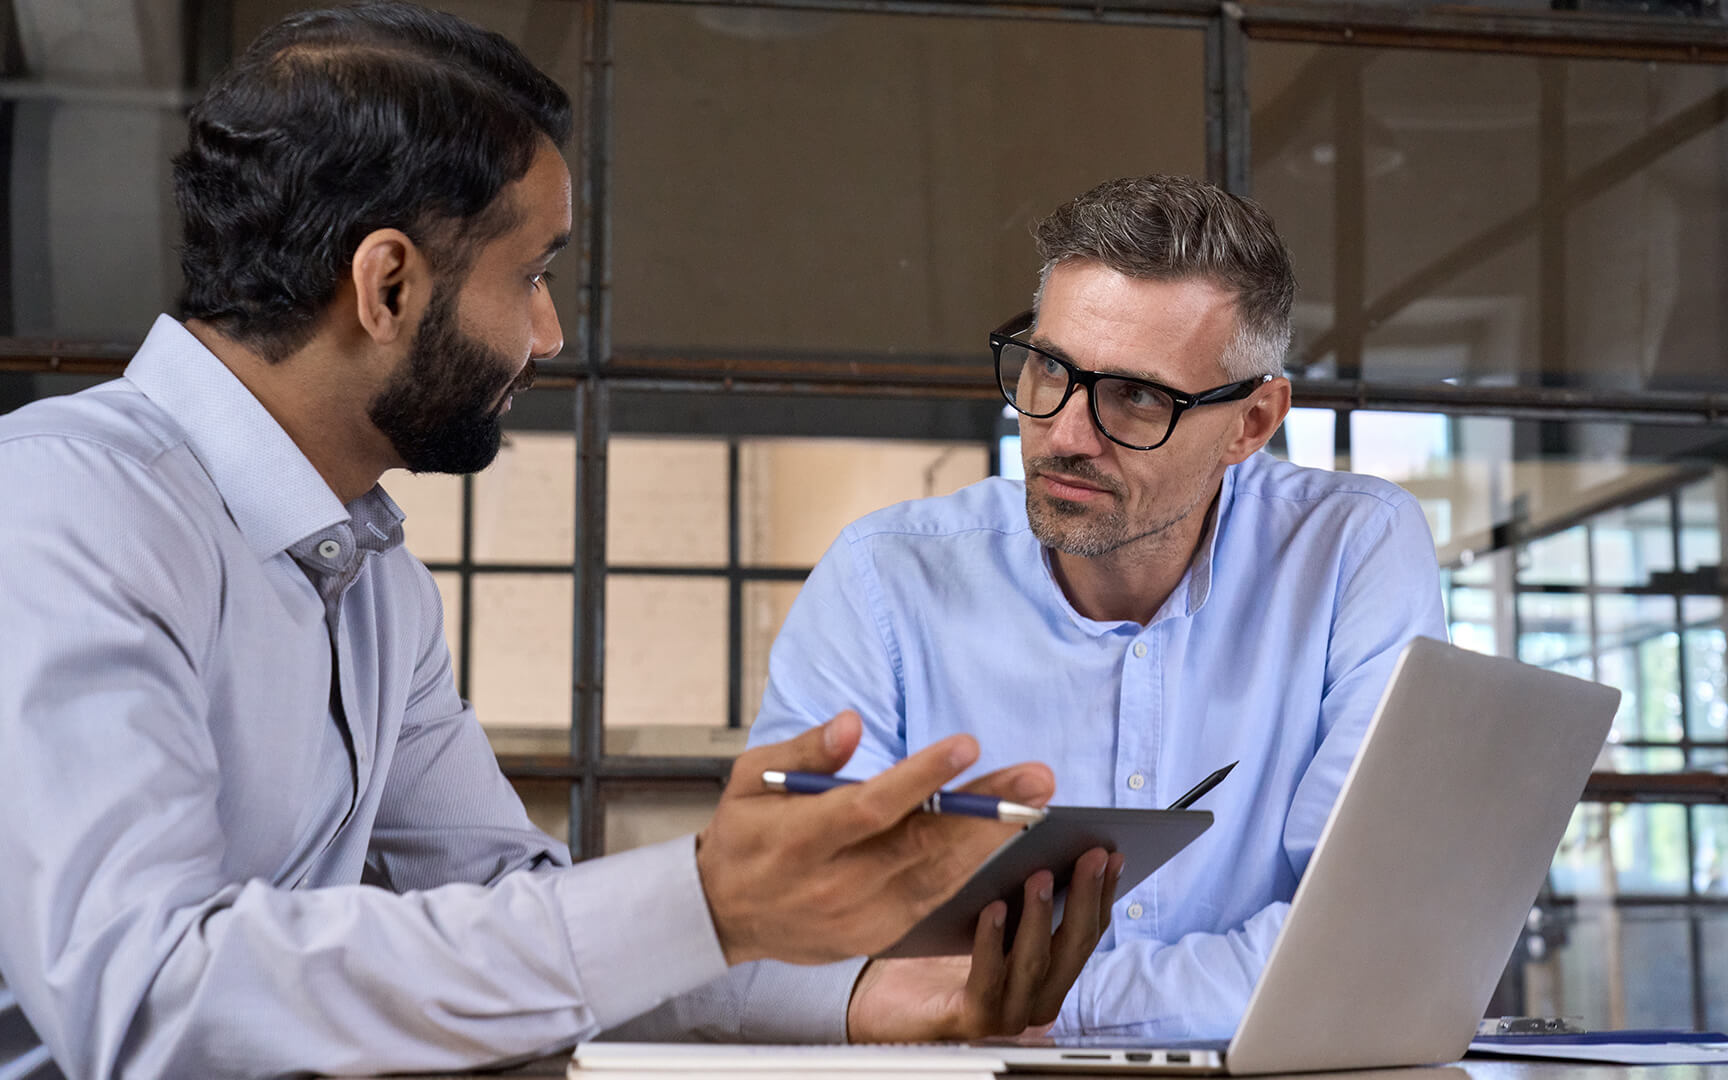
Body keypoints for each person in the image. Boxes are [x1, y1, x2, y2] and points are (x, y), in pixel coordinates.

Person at [0, 5, 1121, 1078]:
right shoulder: (63, 509)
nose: (548, 335)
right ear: (386, 285)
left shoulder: (372, 576)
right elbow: (145, 1003)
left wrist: (866, 998)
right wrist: (708, 902)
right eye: (530, 278)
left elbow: (508, 905)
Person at [747, 175, 1448, 1038]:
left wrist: (1015, 1004)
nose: (1065, 435)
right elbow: (774, 941)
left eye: (1138, 396)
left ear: (1252, 423)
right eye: (1049, 368)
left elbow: (1366, 940)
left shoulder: (1352, 552)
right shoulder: (884, 580)